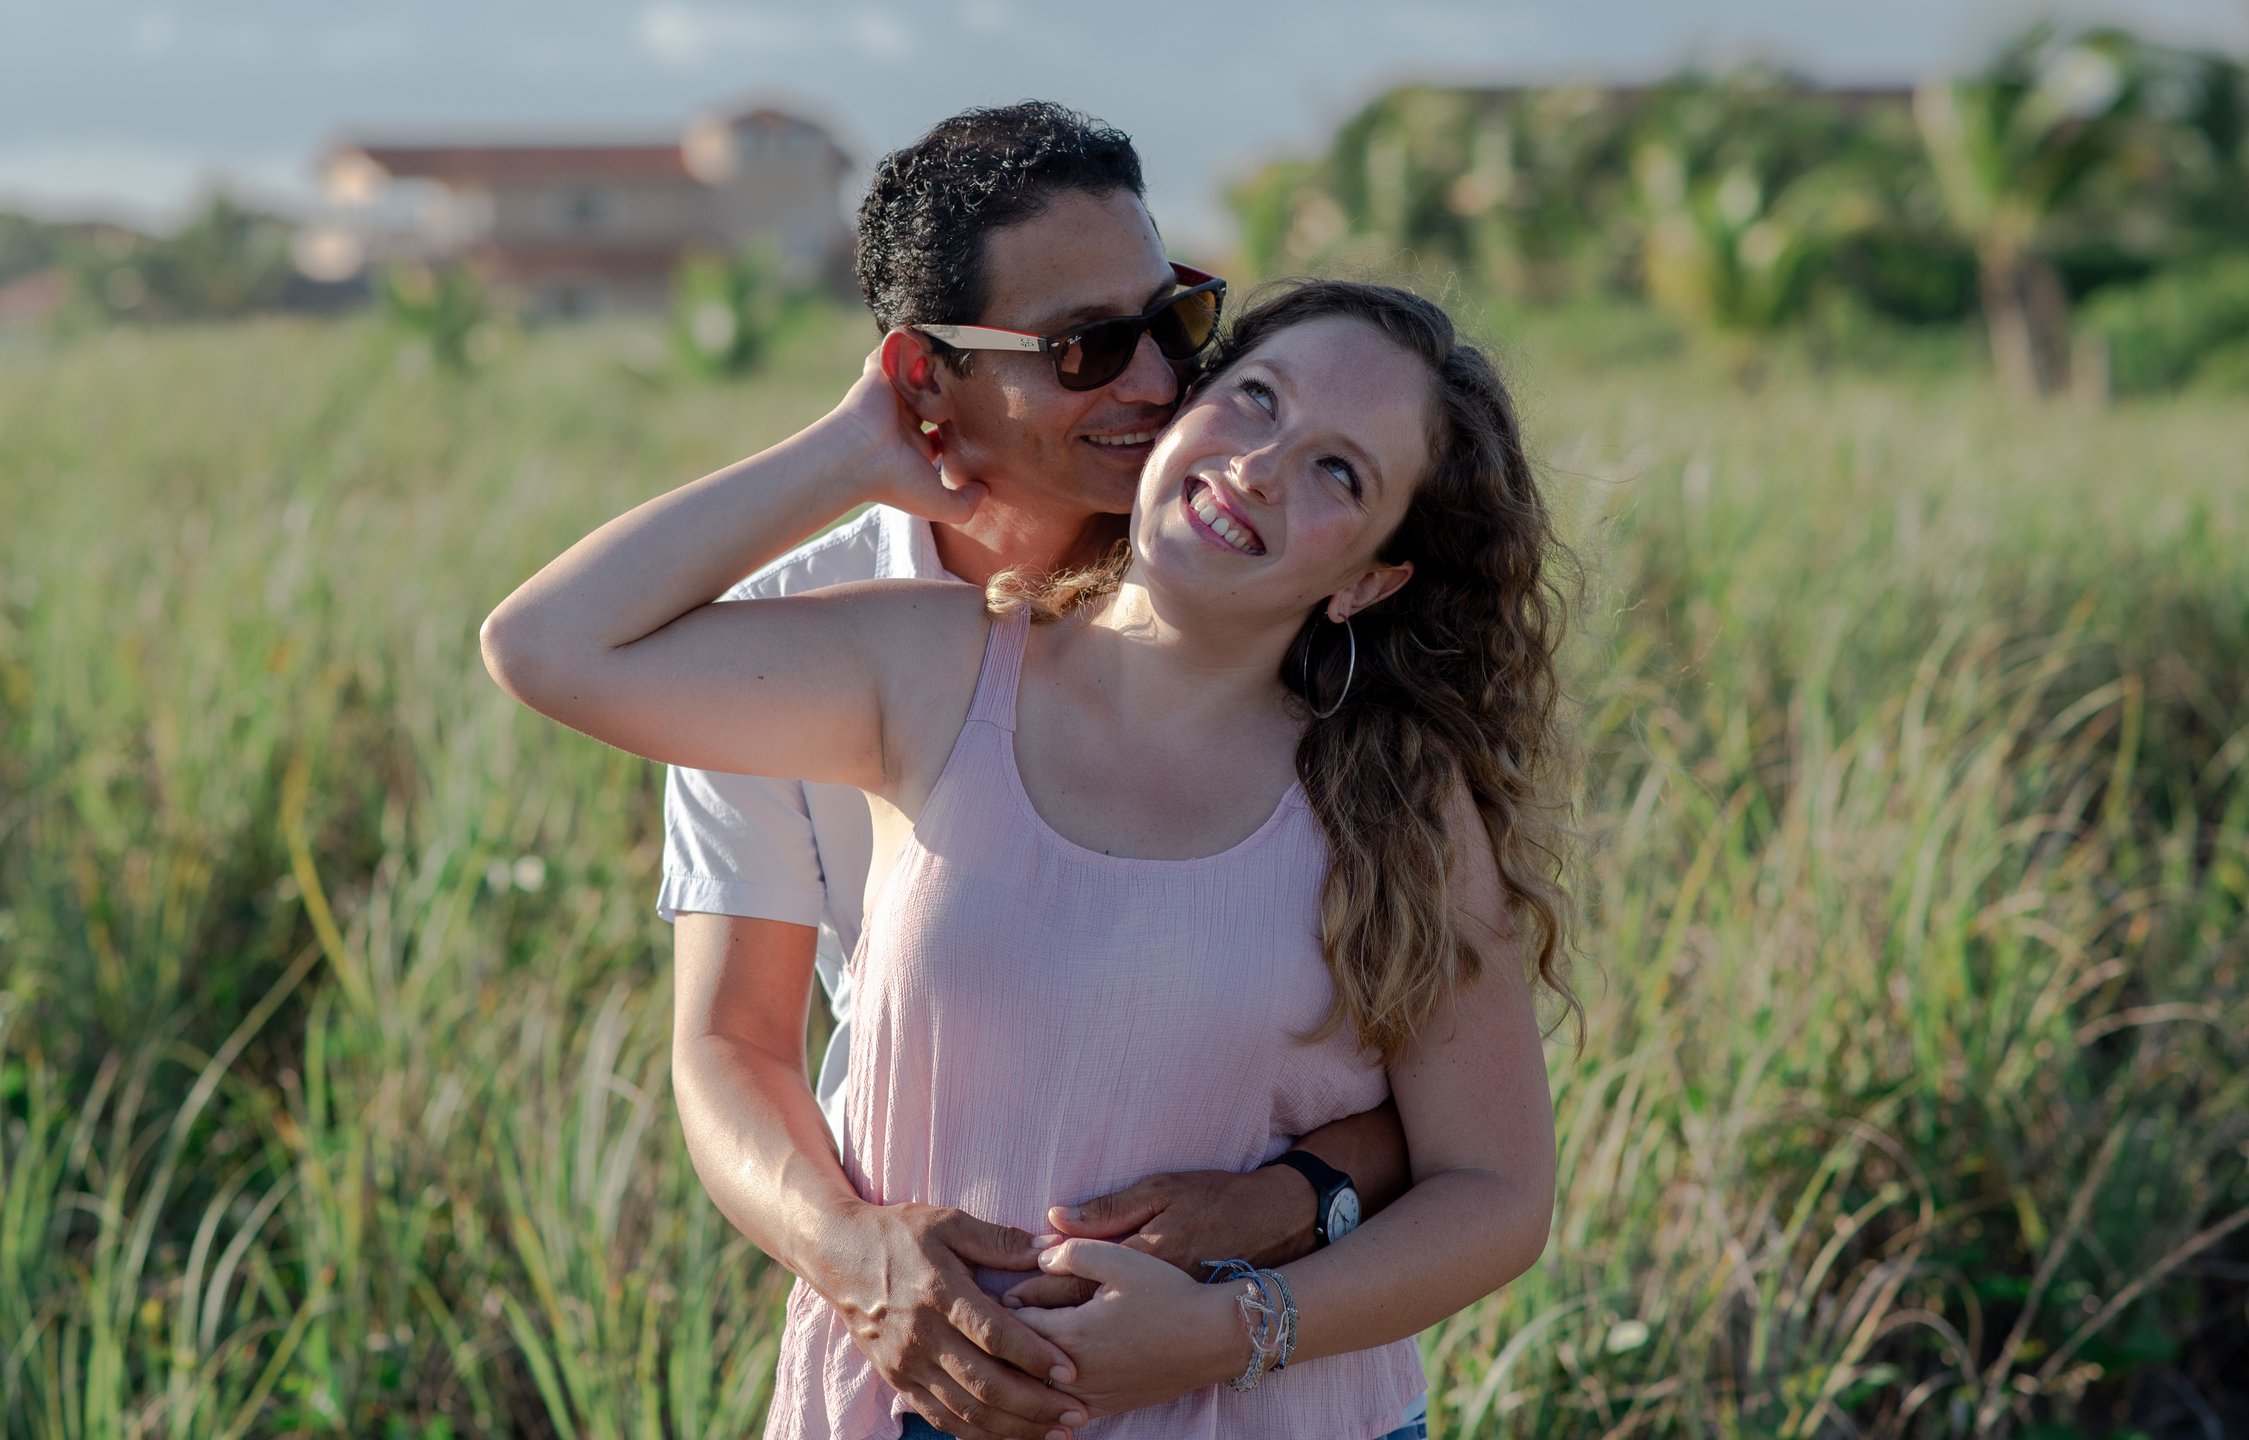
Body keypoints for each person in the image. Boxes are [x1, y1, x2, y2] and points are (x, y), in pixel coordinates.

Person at [482, 275, 1577, 1440]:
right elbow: (548, 645)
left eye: (1338, 472)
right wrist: (853, 448)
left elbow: (1495, 1192)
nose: (1261, 465)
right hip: (919, 1397)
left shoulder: (1395, 798)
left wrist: (1230, 1327)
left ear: (1368, 575)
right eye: (1255, 398)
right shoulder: (942, 667)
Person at [657, 106, 1416, 1440]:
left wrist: (1293, 1198)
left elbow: (1458, 1104)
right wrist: (855, 1255)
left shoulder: (1250, 577)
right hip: (942, 1363)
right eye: (1085, 348)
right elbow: (731, 1041)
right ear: (924, 376)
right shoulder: (796, 640)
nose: (1153, 385)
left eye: (1173, 321)